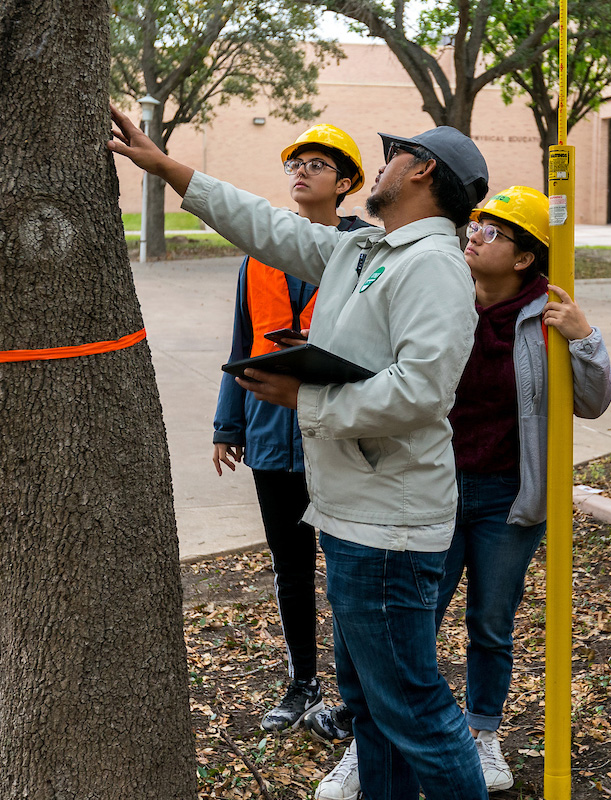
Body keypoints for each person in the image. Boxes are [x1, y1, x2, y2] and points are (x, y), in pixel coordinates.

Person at [109, 106, 492, 800]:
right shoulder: (367, 251)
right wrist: (166, 168)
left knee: (415, 710)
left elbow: (422, 392)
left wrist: (303, 400)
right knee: (372, 709)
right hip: (354, 520)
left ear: (422, 169)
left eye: (390, 156)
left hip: (387, 532)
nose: (379, 167)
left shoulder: (434, 265)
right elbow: (269, 226)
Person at [440, 186, 611, 789]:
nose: (475, 233)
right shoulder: (441, 296)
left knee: (491, 620)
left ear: (522, 258)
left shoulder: (549, 313)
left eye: (493, 230)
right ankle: (397, 731)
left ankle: (482, 734)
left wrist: (584, 337)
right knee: (416, 617)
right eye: (476, 223)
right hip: (433, 487)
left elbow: (593, 402)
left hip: (508, 496)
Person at [212, 124, 370, 733]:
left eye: (317, 164)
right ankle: (302, 682)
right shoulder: (259, 253)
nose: (301, 172)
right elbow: (241, 344)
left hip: (337, 432)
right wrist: (229, 425)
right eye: (295, 163)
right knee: (290, 564)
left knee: (347, 566)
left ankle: (353, 700)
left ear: (346, 182)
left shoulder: (366, 252)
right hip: (272, 435)